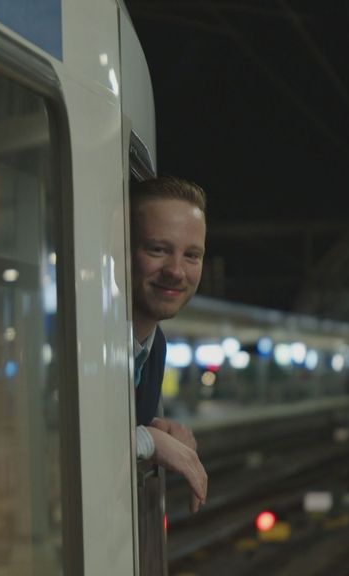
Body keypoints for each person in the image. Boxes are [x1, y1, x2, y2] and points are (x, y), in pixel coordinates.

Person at [129, 176, 208, 514]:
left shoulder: (155, 346)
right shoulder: (76, 339)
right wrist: (147, 441)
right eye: (158, 249)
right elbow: (53, 447)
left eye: (191, 255)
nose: (176, 271)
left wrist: (148, 433)